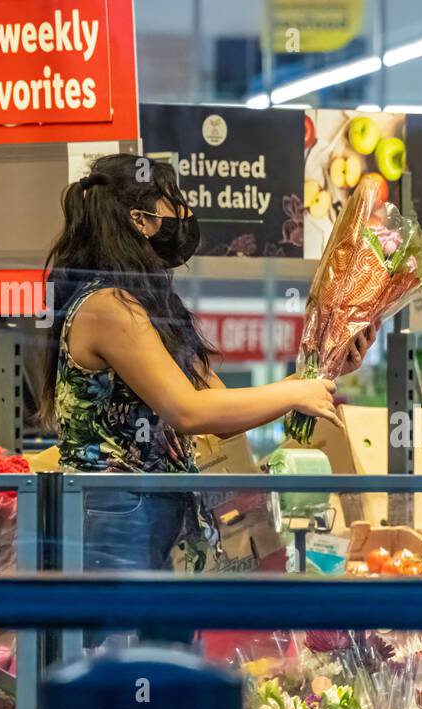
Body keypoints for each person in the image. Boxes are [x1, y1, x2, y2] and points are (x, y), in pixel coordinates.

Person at [37, 153, 368, 575]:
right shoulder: (109, 307)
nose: (186, 214)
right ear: (141, 220)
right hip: (114, 515)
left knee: (159, 640)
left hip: (151, 511)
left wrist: (322, 371)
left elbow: (221, 414)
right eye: (174, 203)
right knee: (120, 641)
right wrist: (294, 392)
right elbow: (188, 411)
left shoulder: (148, 304)